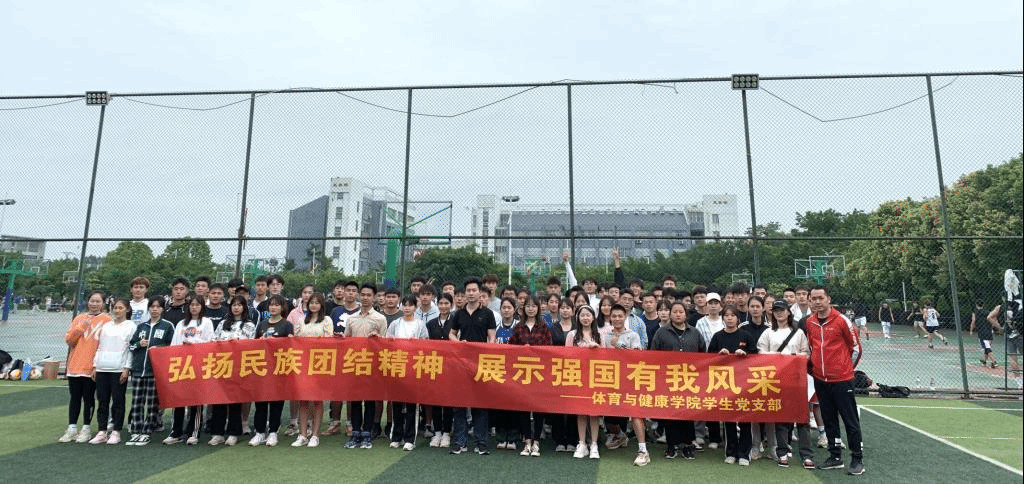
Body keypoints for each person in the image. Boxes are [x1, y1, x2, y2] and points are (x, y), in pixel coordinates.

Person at [805, 286, 864, 475]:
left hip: (842, 380)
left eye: (820, 298)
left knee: (850, 420)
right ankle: (835, 456)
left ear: (828, 299)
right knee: (829, 419)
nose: (817, 302)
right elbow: (812, 347)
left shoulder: (842, 321)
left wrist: (845, 370)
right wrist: (816, 369)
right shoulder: (810, 322)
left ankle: (857, 459)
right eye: (814, 298)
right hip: (821, 380)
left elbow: (856, 349)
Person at [757, 300, 812, 468]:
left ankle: (806, 454)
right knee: (781, 417)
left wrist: (794, 358)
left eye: (782, 310)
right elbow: (760, 353)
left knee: (802, 418)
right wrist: (777, 357)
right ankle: (782, 451)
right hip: (777, 380)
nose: (779, 313)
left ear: (789, 312)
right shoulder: (768, 332)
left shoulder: (799, 333)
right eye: (776, 310)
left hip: (797, 379)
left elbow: (806, 353)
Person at [650, 301, 705, 460]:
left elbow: (703, 353)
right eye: (675, 311)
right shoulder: (661, 332)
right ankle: (671, 445)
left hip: (690, 380)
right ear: (670, 314)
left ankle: (688, 445)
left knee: (687, 413)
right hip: (669, 379)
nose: (678, 314)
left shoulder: (694, 332)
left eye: (681, 311)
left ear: (686, 314)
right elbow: (653, 355)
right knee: (671, 413)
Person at [449, 277, 497, 455]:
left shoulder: (488, 314)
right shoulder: (458, 314)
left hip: (481, 364)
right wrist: (459, 343)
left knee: (480, 405)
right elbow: (451, 334)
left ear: (479, 292)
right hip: (461, 364)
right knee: (459, 405)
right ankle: (460, 442)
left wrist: (486, 349)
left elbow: (492, 337)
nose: (470, 293)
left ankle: (481, 443)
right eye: (468, 291)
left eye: (474, 290)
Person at [707, 305, 759, 466]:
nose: (729, 318)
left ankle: (744, 454)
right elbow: (708, 358)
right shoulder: (717, 336)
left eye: (732, 315)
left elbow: (756, 356)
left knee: (745, 419)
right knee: (728, 418)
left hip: (744, 382)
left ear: (738, 318)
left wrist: (745, 355)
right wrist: (719, 355)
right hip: (724, 383)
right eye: (726, 315)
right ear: (723, 318)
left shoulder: (746, 335)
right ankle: (730, 452)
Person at [59, 291, 110, 444]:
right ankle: (72, 428)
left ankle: (86, 429)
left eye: (98, 301)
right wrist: (81, 328)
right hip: (75, 365)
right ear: (87, 302)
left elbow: (106, 345)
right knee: (74, 398)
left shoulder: (107, 321)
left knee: (89, 398)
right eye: (92, 301)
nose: (94, 304)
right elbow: (69, 341)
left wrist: (96, 365)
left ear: (103, 303)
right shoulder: (79, 318)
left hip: (92, 367)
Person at [602, 304, 649, 466]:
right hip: (612, 381)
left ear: (625, 317)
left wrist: (618, 345)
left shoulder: (633, 335)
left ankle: (643, 451)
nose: (617, 319)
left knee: (635, 414)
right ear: (610, 318)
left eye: (620, 316)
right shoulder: (606, 336)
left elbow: (637, 357)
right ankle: (621, 436)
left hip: (631, 380)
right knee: (608, 416)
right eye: (614, 316)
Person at [164, 296, 215, 445]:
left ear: (202, 307)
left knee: (196, 400)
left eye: (197, 305)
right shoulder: (181, 323)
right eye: (191, 305)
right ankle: (176, 432)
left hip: (198, 365)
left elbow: (210, 342)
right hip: (181, 365)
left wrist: (193, 342)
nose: (194, 307)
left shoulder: (206, 322)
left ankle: (194, 432)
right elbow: (174, 344)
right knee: (178, 399)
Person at [343, 283, 388, 450]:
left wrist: (378, 338)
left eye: (369, 295)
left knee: (370, 401)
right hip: (355, 363)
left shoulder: (380, 318)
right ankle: (355, 433)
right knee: (355, 400)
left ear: (374, 297)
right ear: (359, 296)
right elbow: (346, 340)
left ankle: (367, 433)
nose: (365, 297)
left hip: (372, 365)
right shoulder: (352, 318)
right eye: (363, 294)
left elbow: (385, 343)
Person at [207, 296, 256, 446]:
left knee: (235, 400)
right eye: (234, 305)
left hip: (238, 367)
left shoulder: (249, 325)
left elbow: (251, 345)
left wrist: (235, 344)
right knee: (219, 400)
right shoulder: (223, 323)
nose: (236, 307)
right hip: (222, 365)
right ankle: (218, 433)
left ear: (244, 307)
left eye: (239, 305)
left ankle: (234, 432)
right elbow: (213, 341)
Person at [126, 297, 175, 446]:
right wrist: (139, 344)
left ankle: (147, 431)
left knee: (153, 404)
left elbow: (172, 347)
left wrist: (158, 349)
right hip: (138, 370)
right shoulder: (141, 327)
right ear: (148, 309)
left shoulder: (167, 326)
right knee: (137, 402)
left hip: (155, 371)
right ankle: (136, 431)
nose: (154, 309)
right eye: (152, 307)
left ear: (162, 309)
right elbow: (131, 346)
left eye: (158, 307)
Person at [508, 296, 553, 457]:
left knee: (538, 408)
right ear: (523, 308)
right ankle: (527, 440)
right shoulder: (518, 327)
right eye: (528, 306)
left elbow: (550, 349)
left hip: (539, 373)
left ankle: (537, 442)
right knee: (524, 408)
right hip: (522, 373)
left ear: (538, 308)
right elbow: (510, 349)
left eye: (534, 306)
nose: (531, 309)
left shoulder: (544, 327)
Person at [87, 298, 135, 445]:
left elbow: (130, 349)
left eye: (120, 308)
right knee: (102, 401)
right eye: (115, 308)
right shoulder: (106, 326)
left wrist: (126, 368)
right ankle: (102, 431)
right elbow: (100, 346)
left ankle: (116, 431)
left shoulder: (131, 326)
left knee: (118, 401)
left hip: (118, 369)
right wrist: (95, 366)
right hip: (102, 367)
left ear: (127, 310)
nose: (117, 310)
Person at [249, 295, 294, 447]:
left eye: (276, 305)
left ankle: (273, 432)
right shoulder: (262, 324)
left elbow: (290, 346)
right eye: (271, 305)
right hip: (262, 368)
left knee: (276, 401)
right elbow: (253, 345)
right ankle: (259, 432)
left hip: (278, 368)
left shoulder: (286, 325)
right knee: (261, 401)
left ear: (282, 307)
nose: (273, 307)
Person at [386, 295, 430, 451]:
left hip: (413, 368)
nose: (407, 308)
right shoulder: (395, 323)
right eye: (404, 305)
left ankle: (410, 438)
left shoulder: (420, 325)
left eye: (410, 305)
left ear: (415, 307)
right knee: (397, 404)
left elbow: (426, 343)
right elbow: (387, 341)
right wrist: (391, 341)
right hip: (397, 366)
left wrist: (418, 343)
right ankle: (396, 437)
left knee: (412, 405)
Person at [292, 292, 332, 447]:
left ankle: (315, 435)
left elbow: (329, 341)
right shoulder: (301, 321)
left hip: (319, 364)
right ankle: (302, 434)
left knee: (317, 400)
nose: (314, 305)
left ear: (321, 305)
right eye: (311, 303)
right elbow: (296, 341)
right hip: (302, 363)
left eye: (317, 302)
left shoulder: (326, 320)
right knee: (303, 399)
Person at [567, 305, 602, 459]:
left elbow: (606, 358)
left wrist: (597, 348)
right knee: (580, 411)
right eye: (582, 315)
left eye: (588, 315)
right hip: (578, 378)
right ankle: (582, 443)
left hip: (595, 378)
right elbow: (566, 356)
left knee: (594, 412)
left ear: (593, 317)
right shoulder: (572, 335)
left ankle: (594, 444)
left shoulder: (599, 335)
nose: (585, 318)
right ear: (578, 318)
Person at [425, 293, 455, 448]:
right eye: (441, 303)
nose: (443, 306)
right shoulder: (430, 324)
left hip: (451, 367)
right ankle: (437, 432)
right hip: (434, 366)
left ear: (451, 305)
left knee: (448, 401)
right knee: (436, 400)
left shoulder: (455, 322)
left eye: (446, 303)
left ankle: (446, 433)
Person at [548, 298, 577, 454]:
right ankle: (558, 439)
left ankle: (572, 439)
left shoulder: (578, 328)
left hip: (575, 371)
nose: (565, 310)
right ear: (559, 310)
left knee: (573, 404)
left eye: (568, 308)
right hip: (557, 370)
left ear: (573, 310)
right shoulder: (553, 328)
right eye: (563, 308)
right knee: (557, 405)